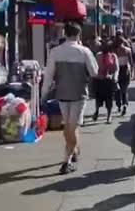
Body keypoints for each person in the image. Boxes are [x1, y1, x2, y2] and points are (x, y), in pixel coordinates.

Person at [42, 22, 98, 175]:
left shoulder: (55, 51)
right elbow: (94, 72)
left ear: (65, 34)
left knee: (69, 125)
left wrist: (44, 93)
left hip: (62, 93)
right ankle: (66, 162)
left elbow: (48, 75)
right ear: (79, 35)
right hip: (79, 93)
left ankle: (74, 152)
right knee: (72, 127)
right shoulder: (84, 51)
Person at [93, 42, 118, 124]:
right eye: (104, 47)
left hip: (109, 81)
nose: (105, 49)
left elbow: (116, 68)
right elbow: (94, 66)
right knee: (98, 98)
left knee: (109, 99)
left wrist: (114, 77)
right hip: (99, 79)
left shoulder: (113, 56)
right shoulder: (98, 55)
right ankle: (96, 111)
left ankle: (109, 116)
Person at [115, 38, 132, 116]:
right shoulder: (128, 50)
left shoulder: (115, 51)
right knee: (124, 89)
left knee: (117, 89)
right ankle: (125, 104)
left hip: (117, 70)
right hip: (125, 70)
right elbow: (131, 62)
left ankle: (118, 105)